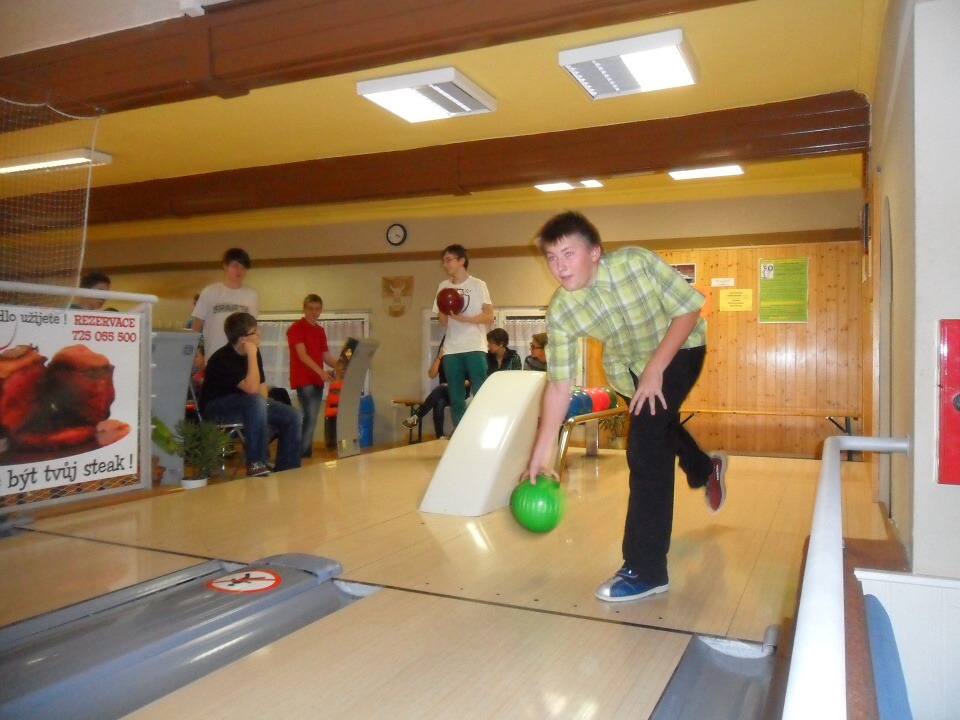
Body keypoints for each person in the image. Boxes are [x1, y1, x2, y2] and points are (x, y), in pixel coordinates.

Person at [523, 211, 726, 604]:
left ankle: (646, 570)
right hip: (629, 367)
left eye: (568, 253)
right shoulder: (562, 310)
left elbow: (688, 309)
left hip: (681, 346)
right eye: (551, 257)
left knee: (646, 442)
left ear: (595, 252)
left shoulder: (635, 262)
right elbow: (560, 384)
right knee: (659, 426)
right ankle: (705, 467)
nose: (560, 266)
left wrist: (655, 368)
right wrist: (539, 454)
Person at [199, 312, 301, 477]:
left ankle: (288, 470)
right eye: (254, 332)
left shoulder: (254, 353)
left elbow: (261, 386)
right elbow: (252, 389)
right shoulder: (222, 359)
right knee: (255, 402)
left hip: (248, 404)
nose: (259, 333)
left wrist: (263, 407)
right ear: (242, 340)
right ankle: (256, 463)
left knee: (292, 415)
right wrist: (252, 354)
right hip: (217, 408)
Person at [434, 244, 494, 428]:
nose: (445, 264)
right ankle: (460, 434)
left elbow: (489, 317)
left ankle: (481, 431)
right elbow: (442, 322)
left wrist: (465, 319)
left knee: (480, 392)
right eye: (443, 261)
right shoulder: (443, 287)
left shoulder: (478, 285)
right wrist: (444, 306)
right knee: (456, 397)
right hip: (452, 349)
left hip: (475, 346)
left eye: (449, 260)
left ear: (461, 261)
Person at [287, 294, 337, 458]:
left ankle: (300, 453)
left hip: (317, 379)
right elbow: (302, 355)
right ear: (304, 309)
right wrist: (322, 372)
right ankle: (302, 454)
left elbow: (326, 356)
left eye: (318, 309)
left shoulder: (320, 331)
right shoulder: (296, 328)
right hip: (303, 378)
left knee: (311, 417)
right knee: (310, 417)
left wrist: (342, 366)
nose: (314, 312)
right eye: (311, 309)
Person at [191, 248, 259, 356]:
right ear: (225, 266)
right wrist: (195, 352)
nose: (239, 270)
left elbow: (253, 329)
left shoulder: (251, 295)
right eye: (235, 265)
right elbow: (197, 325)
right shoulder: (210, 292)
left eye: (243, 267)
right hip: (214, 355)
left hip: (241, 357)